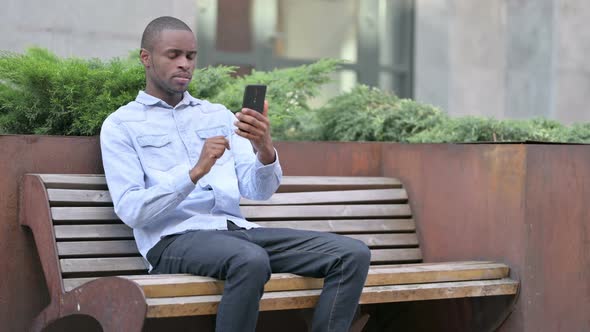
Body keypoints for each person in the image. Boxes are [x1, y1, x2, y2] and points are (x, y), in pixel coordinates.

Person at [100, 16, 370, 332]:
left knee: (351, 254)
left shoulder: (217, 116)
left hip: (236, 232)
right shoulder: (121, 126)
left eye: (190, 56)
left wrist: (264, 149)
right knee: (250, 259)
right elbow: (132, 210)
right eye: (173, 55)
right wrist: (194, 173)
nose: (184, 64)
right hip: (172, 240)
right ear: (146, 58)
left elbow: (258, 190)